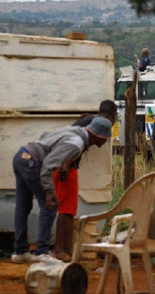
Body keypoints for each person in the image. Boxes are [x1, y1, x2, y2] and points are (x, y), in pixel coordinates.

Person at [11, 116, 113, 263]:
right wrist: (49, 191)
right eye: (106, 138)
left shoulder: (74, 131)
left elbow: (45, 137)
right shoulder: (76, 144)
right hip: (33, 163)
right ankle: (42, 252)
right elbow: (48, 164)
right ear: (99, 137)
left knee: (23, 207)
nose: (106, 141)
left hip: (21, 156)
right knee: (50, 205)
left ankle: (20, 252)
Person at [52, 100, 117, 262]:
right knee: (66, 211)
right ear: (111, 116)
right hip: (65, 167)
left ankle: (66, 249)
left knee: (69, 210)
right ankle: (60, 249)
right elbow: (75, 144)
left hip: (66, 166)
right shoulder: (94, 125)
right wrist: (66, 165)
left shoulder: (90, 121)